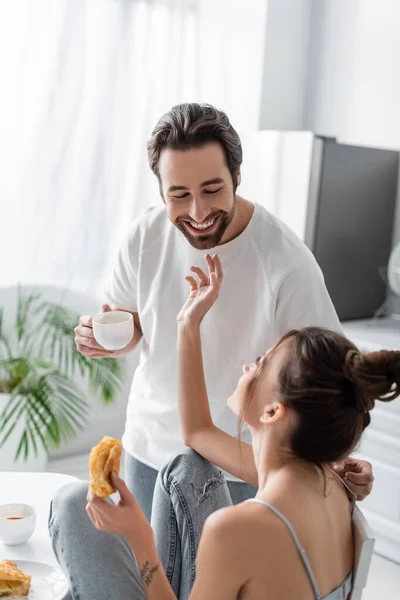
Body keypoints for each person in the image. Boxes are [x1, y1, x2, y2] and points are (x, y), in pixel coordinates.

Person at [74, 103, 373, 520]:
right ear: (161, 190)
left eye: (212, 190)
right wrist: (105, 336)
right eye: (179, 195)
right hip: (149, 450)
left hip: (238, 468)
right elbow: (133, 320)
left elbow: (333, 380)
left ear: (237, 177)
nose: (197, 213)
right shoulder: (144, 237)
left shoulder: (286, 263)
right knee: (146, 582)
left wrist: (335, 461)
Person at [50, 255, 399, 600]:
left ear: (274, 411)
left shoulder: (236, 532)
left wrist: (138, 535)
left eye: (261, 362)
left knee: (71, 505)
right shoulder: (331, 484)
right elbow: (197, 432)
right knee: (189, 466)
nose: (249, 365)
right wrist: (188, 323)